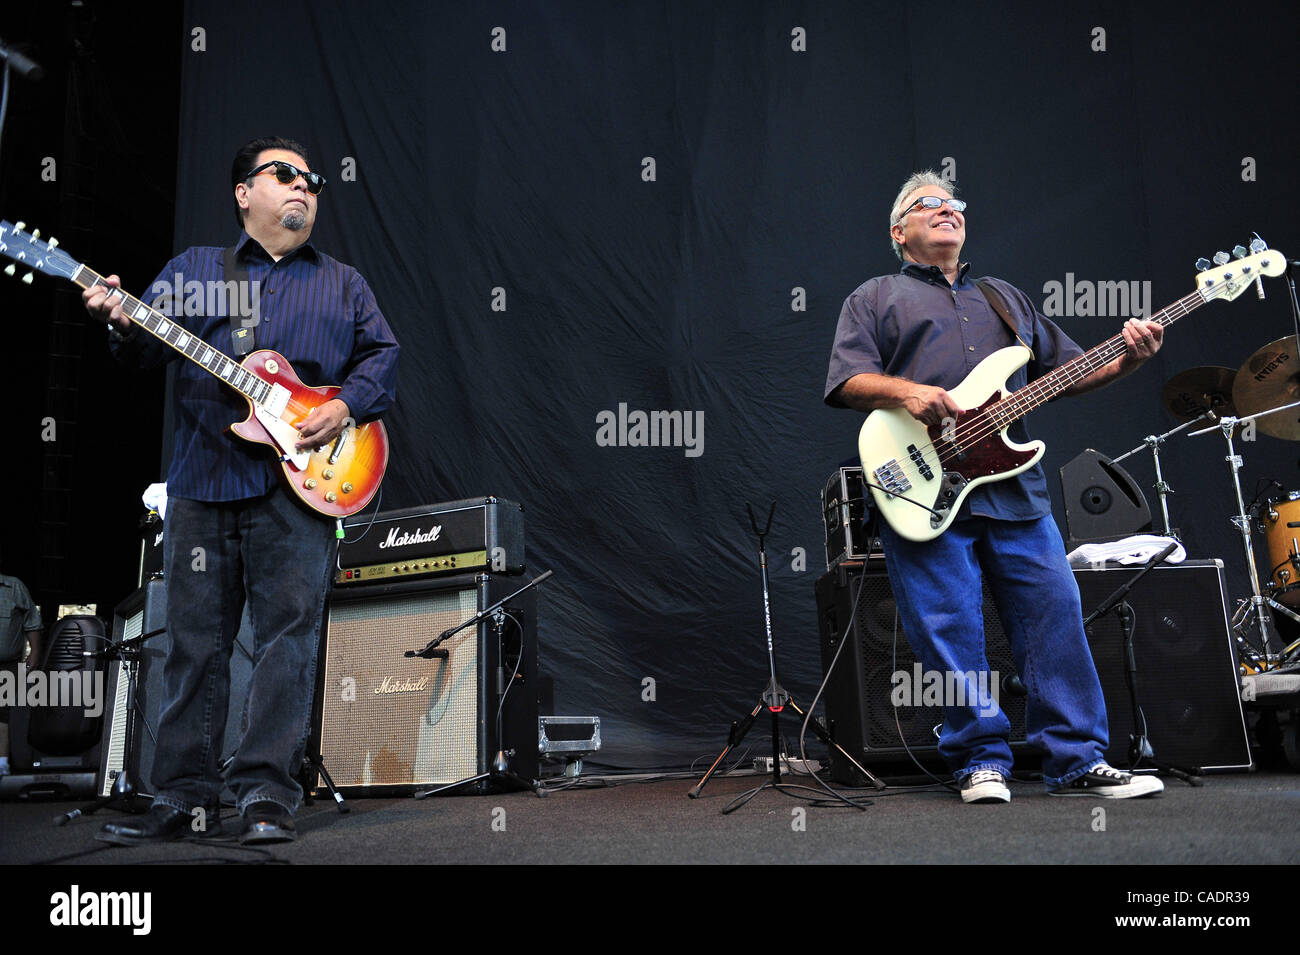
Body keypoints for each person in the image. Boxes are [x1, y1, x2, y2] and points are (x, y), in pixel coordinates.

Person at [83, 136, 399, 841]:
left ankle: (265, 799)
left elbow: (384, 355)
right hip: (204, 481)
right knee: (195, 643)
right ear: (242, 192)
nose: (304, 186)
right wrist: (120, 318)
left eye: (313, 179)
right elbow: (138, 353)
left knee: (288, 642)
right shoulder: (196, 271)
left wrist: (343, 407)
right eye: (284, 174)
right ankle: (183, 799)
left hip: (302, 486)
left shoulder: (342, 283)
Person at [824, 170, 1164, 802]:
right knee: (947, 625)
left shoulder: (1004, 297)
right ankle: (979, 758)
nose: (948, 210)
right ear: (900, 232)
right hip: (924, 484)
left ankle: (1077, 760)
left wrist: (1129, 359)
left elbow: (1070, 371)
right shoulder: (874, 296)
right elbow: (846, 382)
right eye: (930, 205)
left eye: (955, 204)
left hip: (1015, 491)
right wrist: (910, 391)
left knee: (1053, 615)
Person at [0, 566, 43, 777]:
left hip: (7, 664)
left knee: (4, 715)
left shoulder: (13, 585)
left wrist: (35, 652)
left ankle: (2, 764)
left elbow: (32, 622)